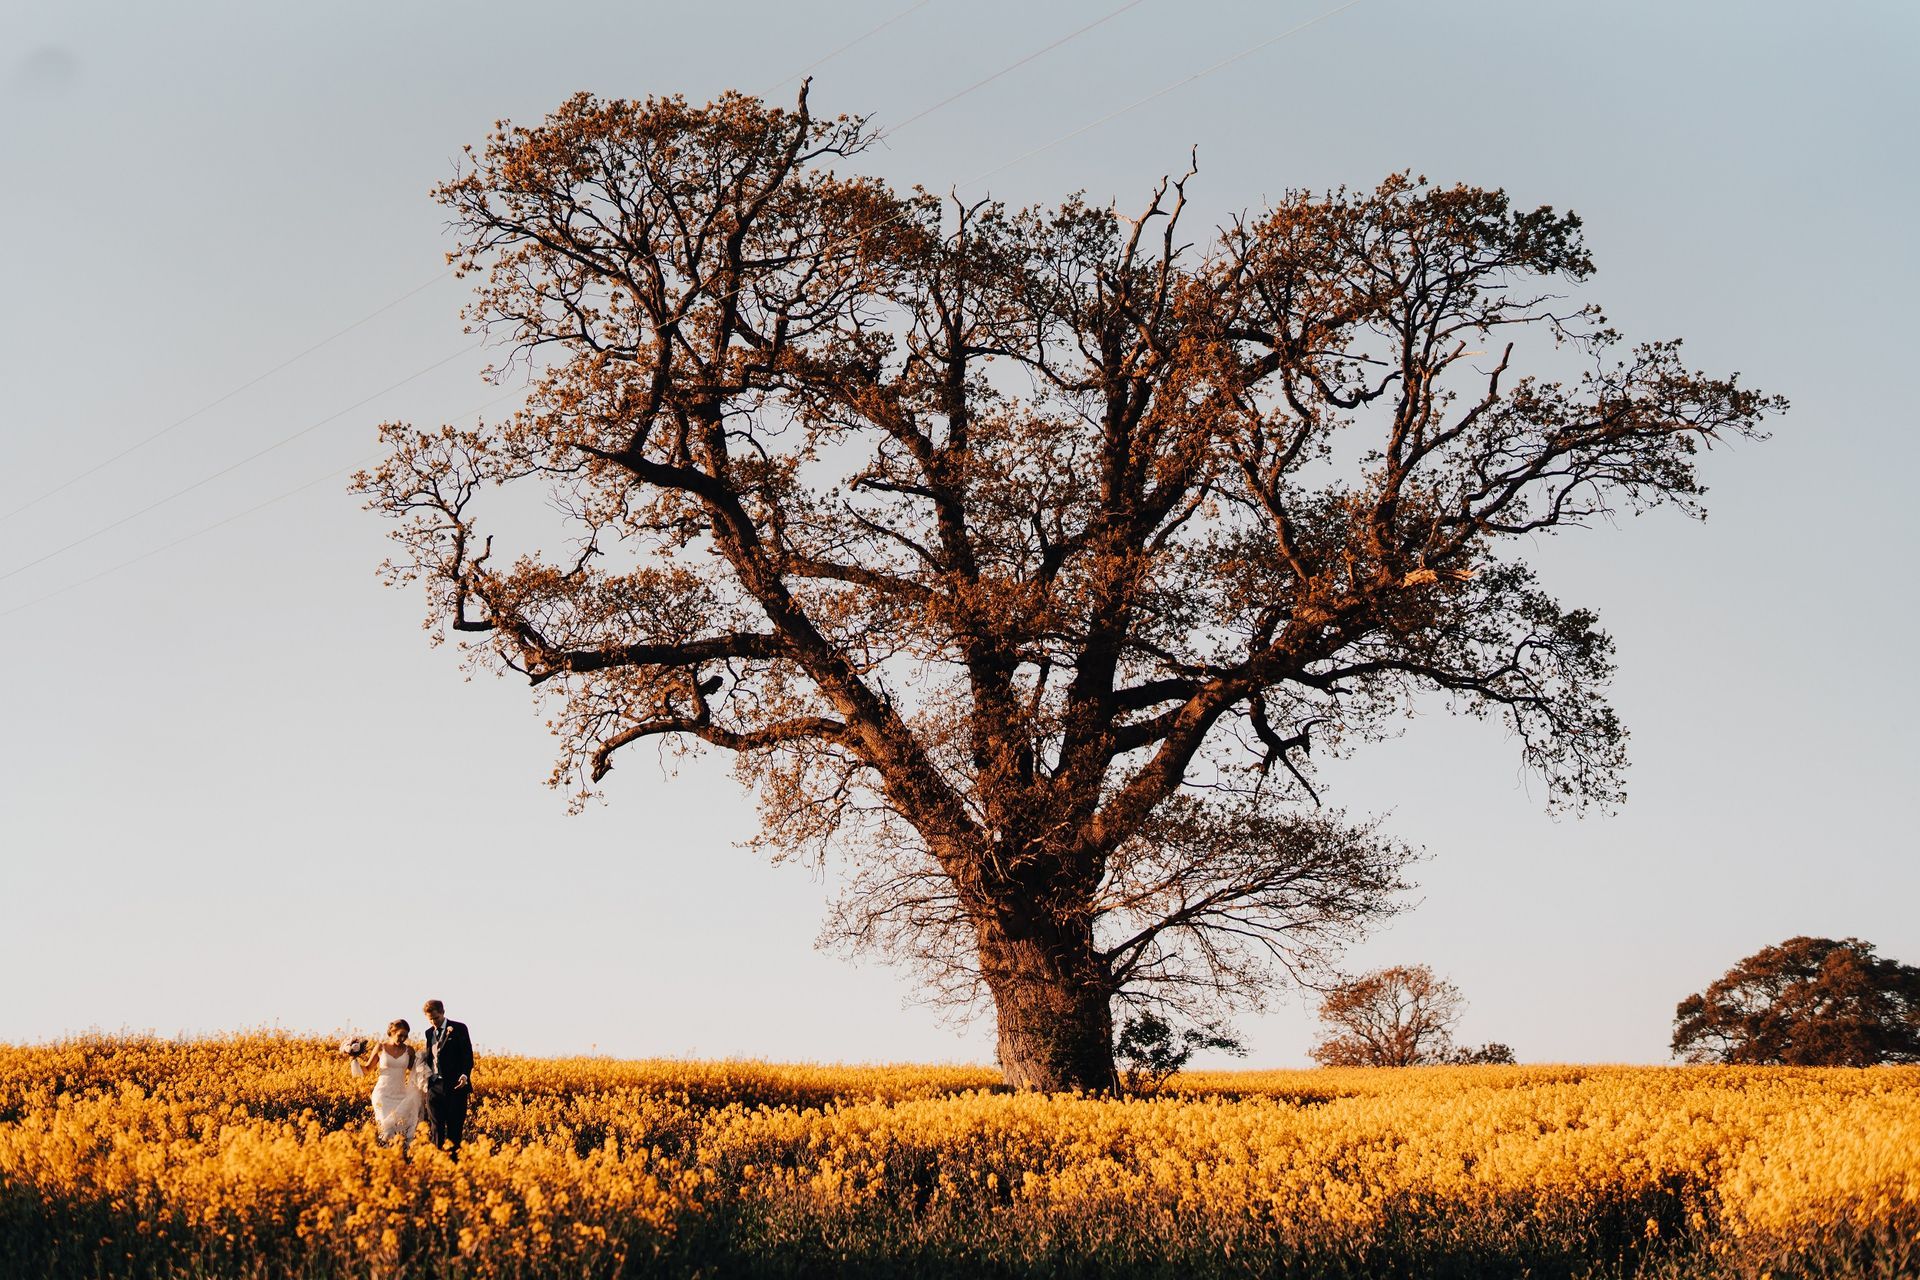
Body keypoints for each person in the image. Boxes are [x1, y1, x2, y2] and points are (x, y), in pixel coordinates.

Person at [348, 1019, 429, 1144]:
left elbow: (414, 1070)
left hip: (401, 1095)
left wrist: (425, 1062)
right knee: (385, 1129)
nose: (402, 1039)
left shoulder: (409, 1050)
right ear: (391, 1032)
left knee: (400, 1128)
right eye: (400, 1035)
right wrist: (354, 1058)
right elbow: (368, 1069)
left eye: (405, 1036)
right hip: (382, 1095)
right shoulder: (381, 1047)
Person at [420, 998, 473, 1151]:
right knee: (436, 1129)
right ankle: (438, 1163)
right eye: (430, 1020)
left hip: (456, 1086)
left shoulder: (459, 1028)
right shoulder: (429, 1033)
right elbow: (431, 1058)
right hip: (435, 1087)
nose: (434, 1022)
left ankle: (453, 1166)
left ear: (443, 1012)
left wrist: (465, 1075)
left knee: (454, 1130)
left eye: (436, 1018)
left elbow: (467, 1056)